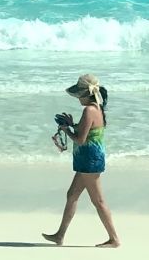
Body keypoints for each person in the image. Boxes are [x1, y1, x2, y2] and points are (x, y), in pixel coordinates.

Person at [43, 74, 120, 248]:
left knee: (98, 201)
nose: (78, 98)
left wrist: (66, 129)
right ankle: (60, 235)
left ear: (87, 94)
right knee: (72, 195)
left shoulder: (89, 110)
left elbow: (80, 140)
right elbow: (87, 131)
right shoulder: (97, 108)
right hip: (89, 160)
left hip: (89, 162)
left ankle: (114, 238)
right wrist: (72, 124)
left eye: (80, 94)